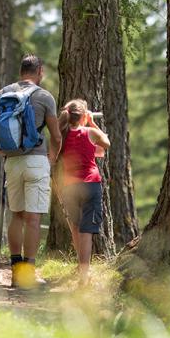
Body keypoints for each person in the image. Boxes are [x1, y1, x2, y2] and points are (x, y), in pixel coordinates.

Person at [0, 54, 61, 288]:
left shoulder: (4, 93)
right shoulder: (44, 96)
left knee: (16, 216)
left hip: (11, 161)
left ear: (22, 70)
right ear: (39, 71)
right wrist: (51, 158)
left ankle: (15, 272)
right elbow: (56, 135)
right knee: (33, 219)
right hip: (36, 161)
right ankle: (28, 275)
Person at [56, 99, 110, 286]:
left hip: (69, 186)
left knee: (75, 228)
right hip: (90, 185)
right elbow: (107, 143)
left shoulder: (61, 135)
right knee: (86, 231)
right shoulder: (91, 132)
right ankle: (84, 277)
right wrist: (92, 122)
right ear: (83, 116)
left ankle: (80, 268)